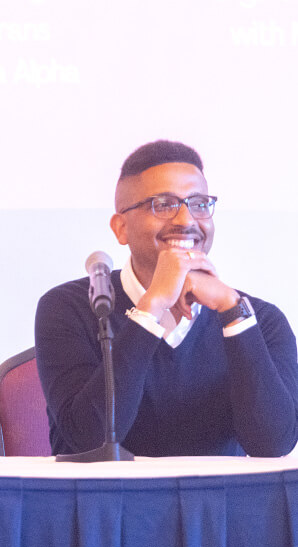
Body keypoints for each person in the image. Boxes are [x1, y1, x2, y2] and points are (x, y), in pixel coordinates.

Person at [35, 140, 298, 457]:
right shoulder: (74, 307)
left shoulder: (257, 318)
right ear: (121, 228)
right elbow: (89, 439)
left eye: (199, 204)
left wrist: (232, 311)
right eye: (163, 204)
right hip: (110, 503)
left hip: (216, 504)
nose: (186, 220)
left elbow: (274, 444)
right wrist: (152, 307)